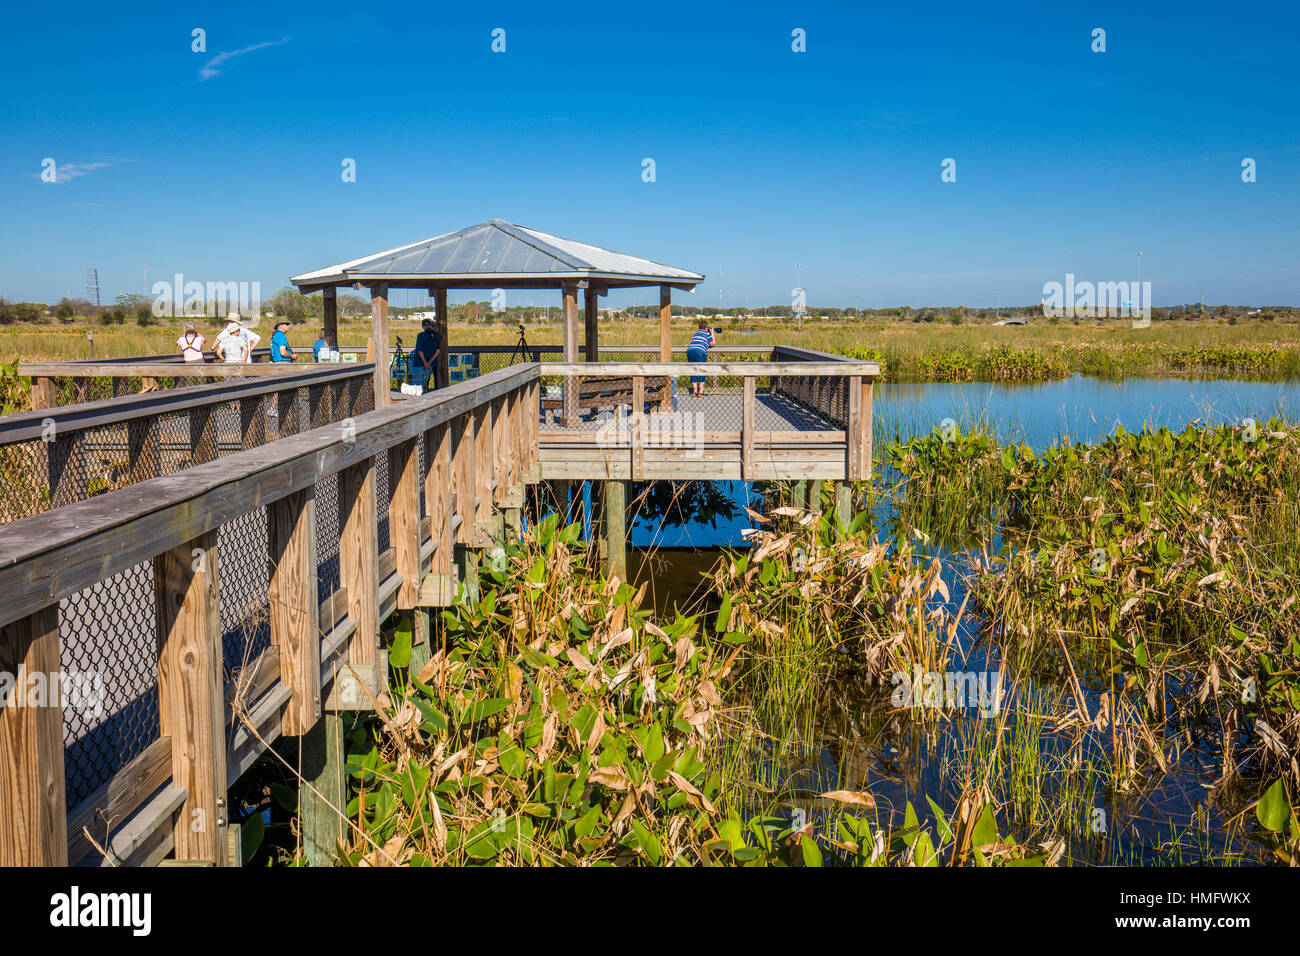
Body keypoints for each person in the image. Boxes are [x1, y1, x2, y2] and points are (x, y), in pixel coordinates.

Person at [686, 318, 716, 397]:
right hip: (700, 352)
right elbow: (713, 343)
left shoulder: (696, 332)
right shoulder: (707, 333)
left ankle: (695, 391)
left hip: (690, 351)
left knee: (693, 370)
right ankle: (701, 391)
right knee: (702, 370)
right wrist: (712, 333)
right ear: (706, 327)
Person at [412, 318, 440, 391]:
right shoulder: (437, 336)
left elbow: (420, 351)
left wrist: (425, 362)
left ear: (423, 326)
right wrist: (429, 363)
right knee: (424, 383)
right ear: (431, 326)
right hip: (431, 364)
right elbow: (437, 351)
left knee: (417, 386)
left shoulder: (421, 335)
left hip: (419, 363)